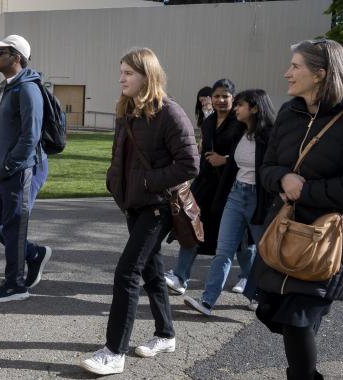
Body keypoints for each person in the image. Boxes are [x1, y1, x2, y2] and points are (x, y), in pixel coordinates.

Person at [252, 39, 343, 380]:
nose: (287, 73)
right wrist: (283, 178)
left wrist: (307, 190)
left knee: (297, 320)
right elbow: (265, 168)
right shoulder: (289, 113)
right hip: (281, 230)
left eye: (296, 66)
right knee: (276, 312)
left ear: (320, 74)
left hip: (326, 238)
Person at [81, 46, 198, 376]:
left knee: (127, 272)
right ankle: (166, 334)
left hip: (158, 206)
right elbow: (119, 155)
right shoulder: (126, 110)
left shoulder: (170, 113)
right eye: (121, 71)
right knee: (151, 271)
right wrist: (113, 182)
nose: (121, 78)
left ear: (148, 75)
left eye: (128, 73)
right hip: (133, 204)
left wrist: (148, 182)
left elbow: (190, 164)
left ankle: (114, 352)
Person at [183, 89, 275, 316]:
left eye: (240, 105)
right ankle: (207, 301)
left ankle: (258, 295)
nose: (235, 108)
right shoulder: (242, 132)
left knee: (264, 252)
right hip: (236, 195)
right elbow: (231, 165)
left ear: (254, 108)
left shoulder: (271, 136)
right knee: (223, 251)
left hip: (259, 198)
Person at [0, 34, 52, 302]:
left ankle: (15, 285)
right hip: (0, 170)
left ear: (16, 57)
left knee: (13, 227)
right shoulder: (5, 89)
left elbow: (30, 137)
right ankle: (34, 254)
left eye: (1, 52)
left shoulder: (28, 90)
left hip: (19, 170)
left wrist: (9, 163)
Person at [164, 79, 248, 295]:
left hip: (232, 185)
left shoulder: (240, 122)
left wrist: (225, 159)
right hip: (206, 185)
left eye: (225, 96)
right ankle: (181, 277)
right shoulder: (209, 122)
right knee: (191, 227)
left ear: (233, 98)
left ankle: (247, 277)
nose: (220, 100)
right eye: (217, 96)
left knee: (240, 236)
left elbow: (250, 155)